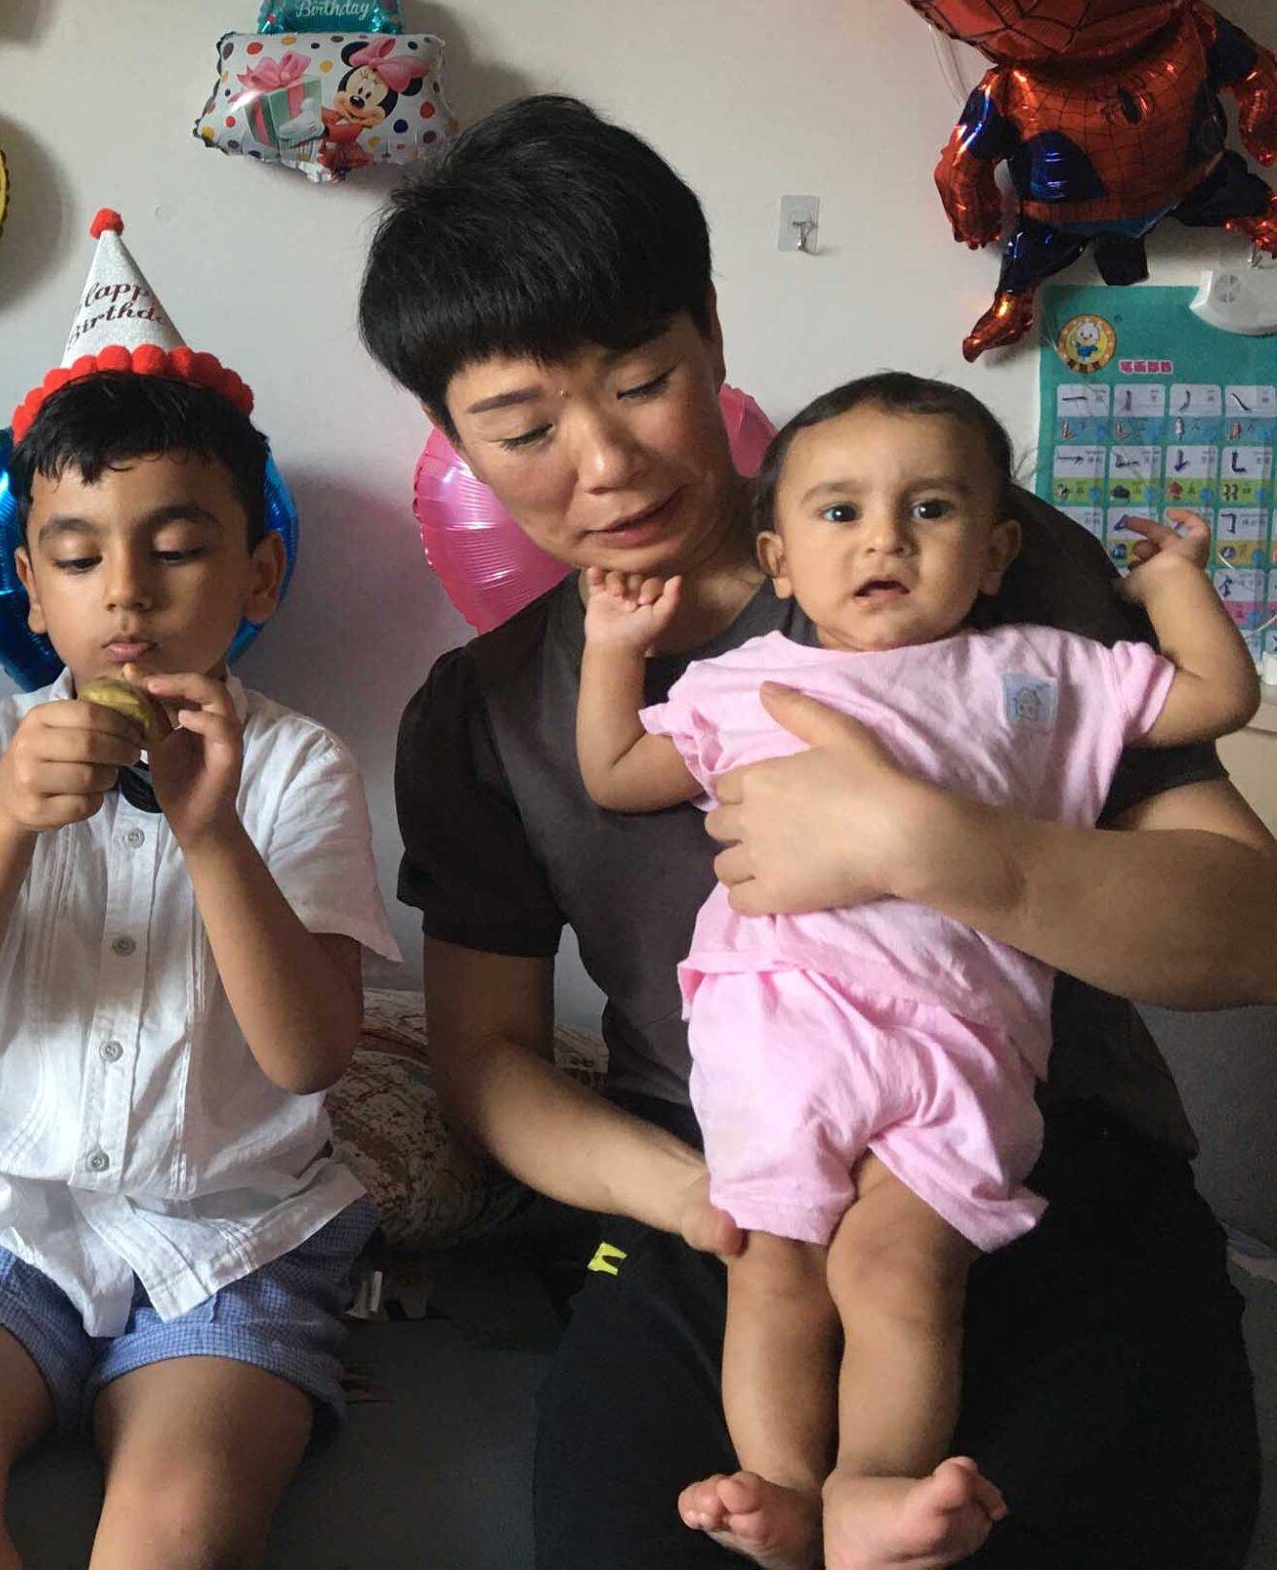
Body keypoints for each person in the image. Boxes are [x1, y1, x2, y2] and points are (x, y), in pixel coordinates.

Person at [358, 95, 1272, 1570]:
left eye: (643, 382)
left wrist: (932, 843)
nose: (605, 462)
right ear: (451, 437)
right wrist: (694, 1200)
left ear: (714, 335)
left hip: (1040, 1165)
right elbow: (486, 1065)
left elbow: (1251, 932)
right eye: (524, 429)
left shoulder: (975, 568)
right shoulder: (486, 711)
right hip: (720, 1191)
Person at [576, 373, 1259, 1566]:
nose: (884, 539)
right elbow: (617, 771)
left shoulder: (1044, 672)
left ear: (994, 553)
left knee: (901, 1271)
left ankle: (871, 1487)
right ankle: (781, 1490)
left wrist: (1170, 586)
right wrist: (610, 652)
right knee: (775, 1270)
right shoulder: (742, 684)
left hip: (964, 1042)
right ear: (780, 562)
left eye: (930, 509)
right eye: (839, 512)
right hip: (778, 1036)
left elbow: (1215, 695)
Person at [0, 213, 399, 1570]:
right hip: (2, 1228)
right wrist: (0, 822)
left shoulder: (297, 768)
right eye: (82, 557)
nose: (128, 594)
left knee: (184, 1515)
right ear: (30, 591)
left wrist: (214, 839)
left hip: (233, 1235)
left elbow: (313, 1054)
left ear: (259, 572)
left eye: (177, 547)